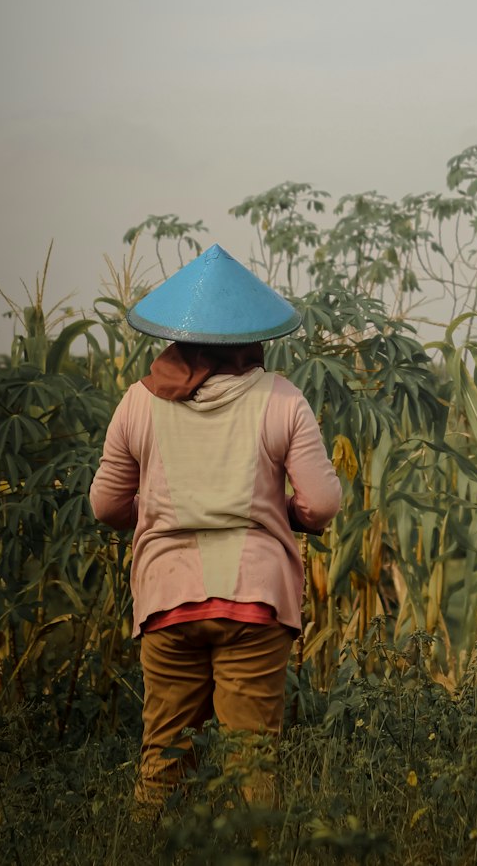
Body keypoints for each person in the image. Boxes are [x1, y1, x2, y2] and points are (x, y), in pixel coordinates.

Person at [89, 243, 341, 813]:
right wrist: (290, 516)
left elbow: (106, 505)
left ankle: (146, 850)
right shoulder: (282, 398)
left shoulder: (136, 403)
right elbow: (323, 502)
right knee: (251, 764)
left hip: (165, 597)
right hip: (255, 600)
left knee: (162, 760)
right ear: (251, 342)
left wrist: (151, 514)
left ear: (177, 340)